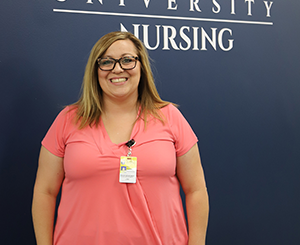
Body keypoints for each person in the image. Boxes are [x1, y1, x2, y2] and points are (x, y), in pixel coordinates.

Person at [32, 31, 209, 245]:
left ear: (141, 66)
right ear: (95, 71)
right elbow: (45, 192)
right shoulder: (68, 120)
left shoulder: (170, 117)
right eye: (106, 62)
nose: (117, 69)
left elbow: (196, 190)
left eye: (127, 60)